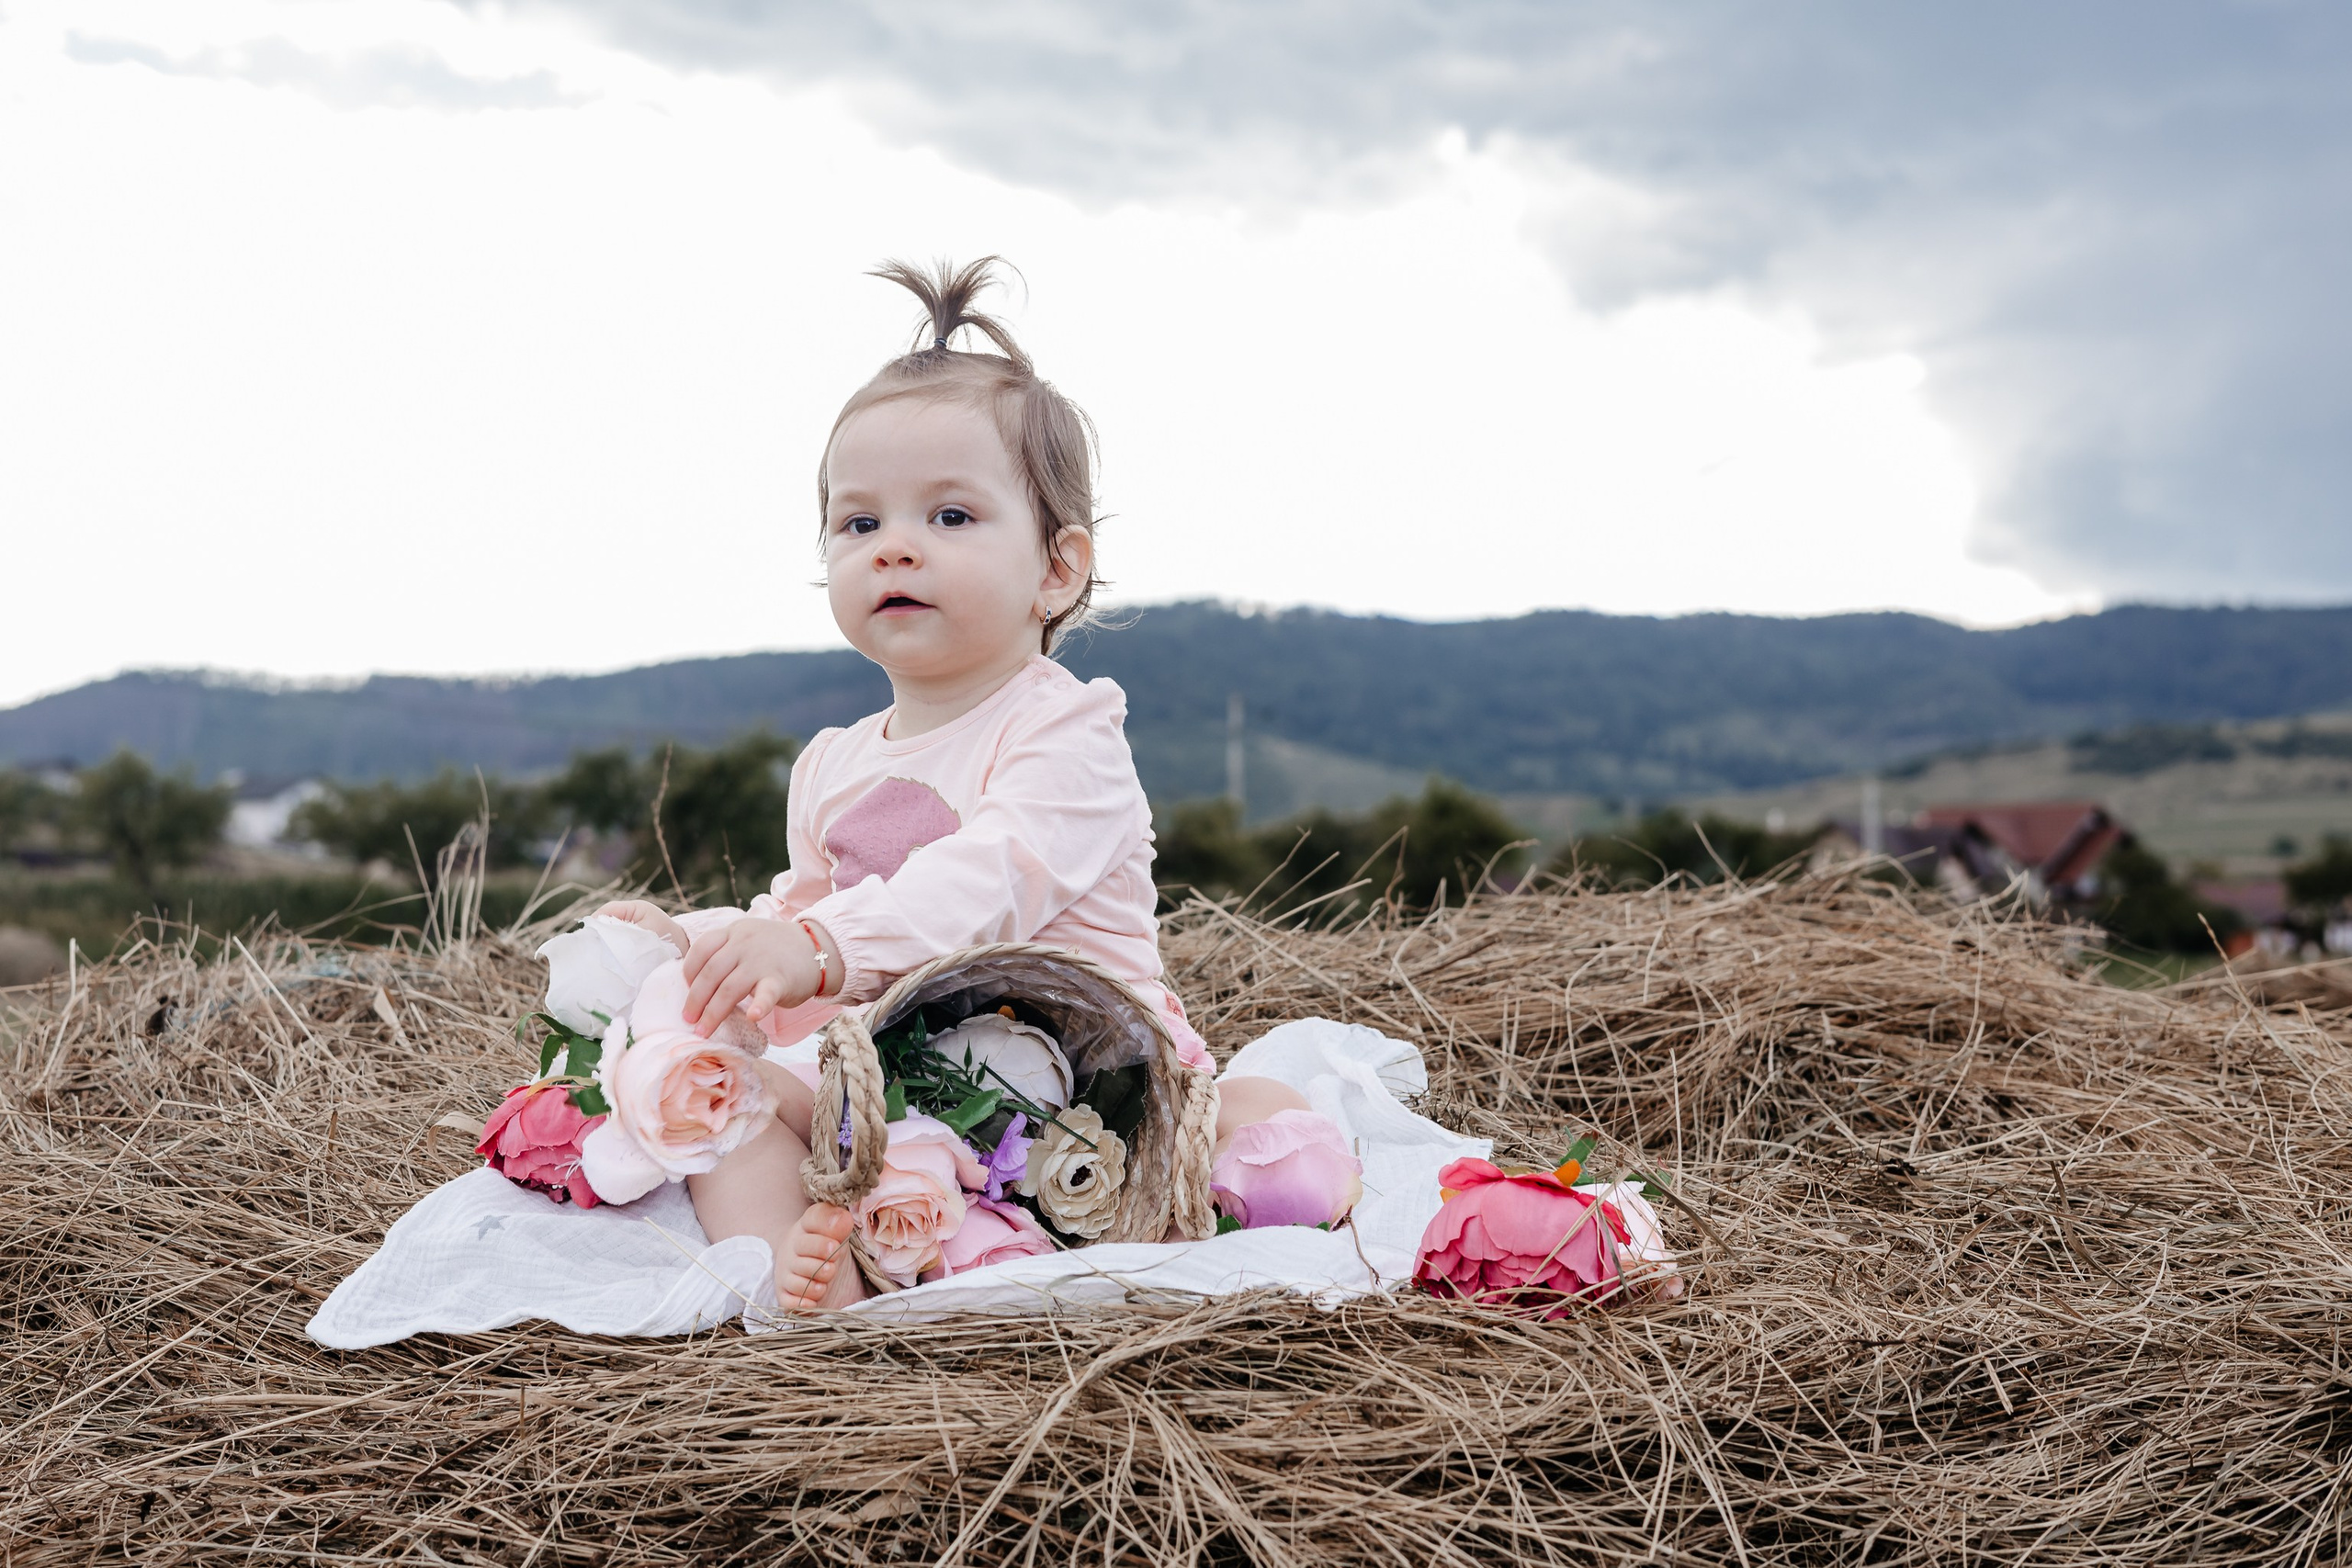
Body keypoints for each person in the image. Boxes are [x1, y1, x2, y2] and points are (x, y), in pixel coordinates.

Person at [597, 258, 1317, 1308]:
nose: (895, 547)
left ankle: (960, 1244)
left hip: (1077, 1089)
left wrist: (818, 949)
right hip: (890, 1083)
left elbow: (991, 883)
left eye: (949, 518)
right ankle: (822, 1293)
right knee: (714, 1105)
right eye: (859, 523)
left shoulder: (1064, 728)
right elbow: (804, 910)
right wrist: (710, 944)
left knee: (1256, 1119)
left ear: (1056, 569)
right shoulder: (835, 761)